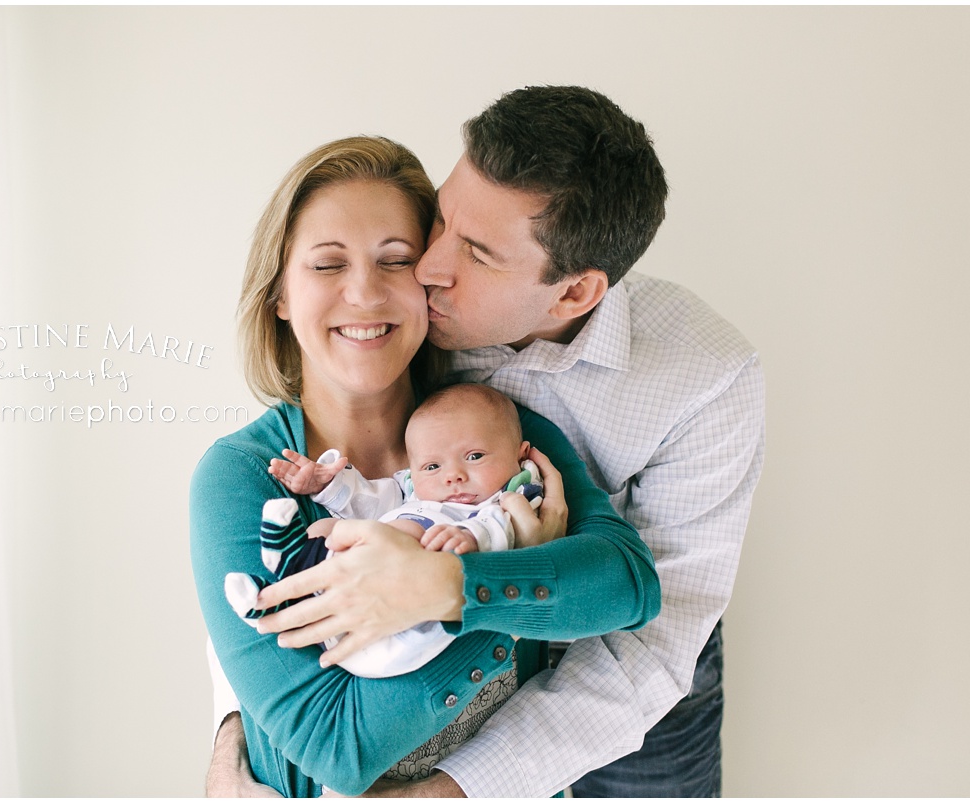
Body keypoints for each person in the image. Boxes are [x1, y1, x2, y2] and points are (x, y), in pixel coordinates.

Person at [222, 86, 766, 797]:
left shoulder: (707, 378)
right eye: (441, 220)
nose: (426, 267)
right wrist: (235, 729)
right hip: (424, 660)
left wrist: (455, 787)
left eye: (475, 252)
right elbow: (264, 530)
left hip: (636, 671)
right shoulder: (400, 321)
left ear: (573, 294)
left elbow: (656, 626)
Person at [223, 383, 546, 679]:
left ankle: (289, 575)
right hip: (347, 602)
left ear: (520, 453)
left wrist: (471, 536)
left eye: (474, 456)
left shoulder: (508, 499)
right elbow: (367, 501)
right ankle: (279, 586)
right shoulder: (412, 493)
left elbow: (506, 529)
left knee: (392, 534)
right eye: (432, 466)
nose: (453, 476)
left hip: (408, 616)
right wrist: (327, 485)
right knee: (327, 527)